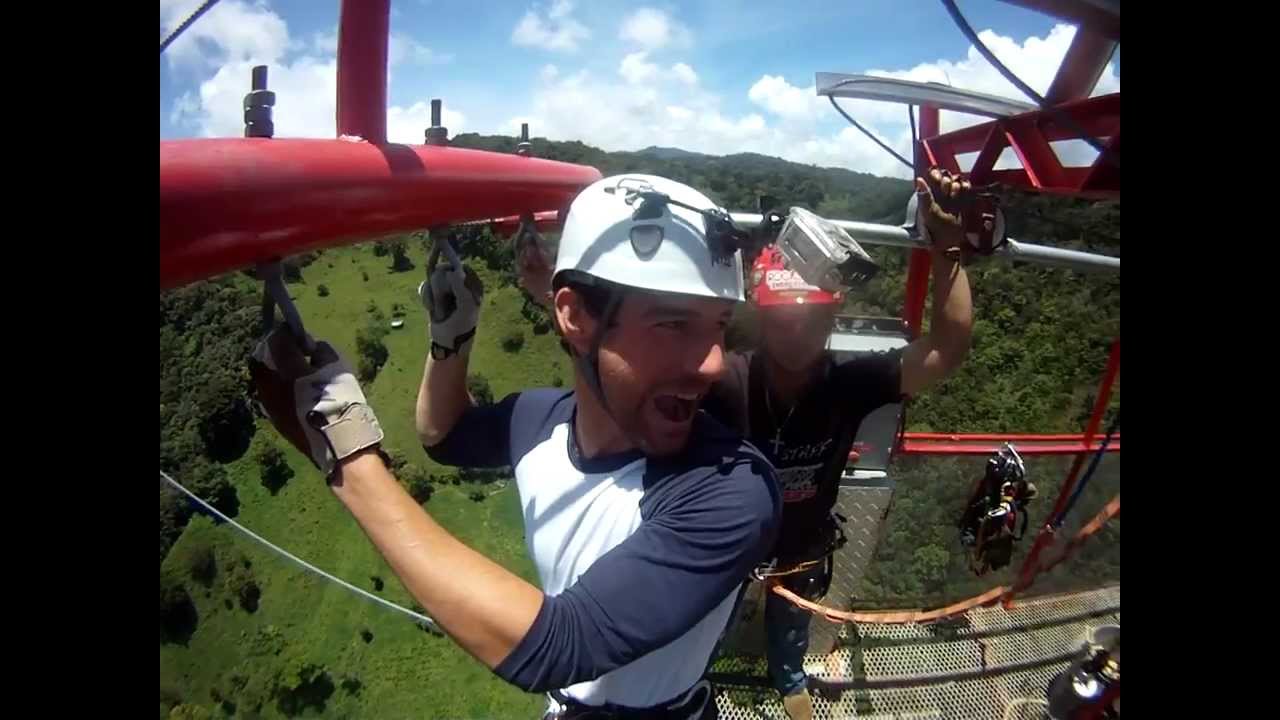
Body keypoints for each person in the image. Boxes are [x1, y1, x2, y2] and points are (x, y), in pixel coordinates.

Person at [251, 174, 782, 720]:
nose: (714, 362)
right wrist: (452, 336)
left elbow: (561, 645)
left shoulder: (732, 491)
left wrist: (343, 450)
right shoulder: (542, 420)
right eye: (674, 323)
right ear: (574, 316)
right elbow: (446, 436)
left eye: (718, 326)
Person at [699, 169, 977, 719]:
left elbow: (946, 348)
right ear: (763, 318)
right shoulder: (728, 380)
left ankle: (787, 677)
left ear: (830, 318)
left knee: (791, 628)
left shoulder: (848, 384)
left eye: (809, 319)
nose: (795, 333)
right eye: (783, 320)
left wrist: (947, 247)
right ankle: (696, 673)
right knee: (711, 622)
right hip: (730, 550)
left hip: (800, 547)